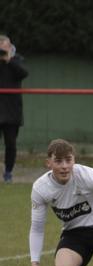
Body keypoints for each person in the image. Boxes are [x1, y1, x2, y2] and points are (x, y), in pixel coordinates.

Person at [0, 34, 28, 183]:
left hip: (12, 111)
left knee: (11, 144)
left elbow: (24, 73)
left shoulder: (17, 59)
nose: (4, 51)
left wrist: (9, 60)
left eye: (6, 48)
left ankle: (8, 173)